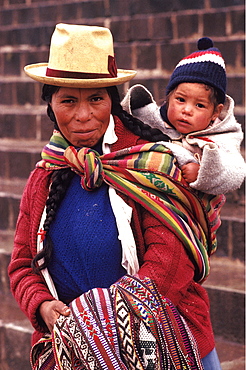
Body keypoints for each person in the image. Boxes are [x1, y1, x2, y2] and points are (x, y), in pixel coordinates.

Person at [8, 24, 224, 369]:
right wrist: (43, 306)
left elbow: (173, 256)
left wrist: (111, 318)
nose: (83, 115)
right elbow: (22, 265)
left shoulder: (150, 160)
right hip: (75, 352)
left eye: (96, 99)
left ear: (112, 101)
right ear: (51, 105)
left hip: (162, 341)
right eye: (68, 100)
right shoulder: (44, 176)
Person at [122, 37, 246, 195]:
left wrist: (202, 173)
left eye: (199, 105)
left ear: (215, 112)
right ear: (168, 98)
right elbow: (124, 121)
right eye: (180, 100)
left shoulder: (222, 137)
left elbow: (235, 172)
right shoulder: (151, 118)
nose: (187, 110)